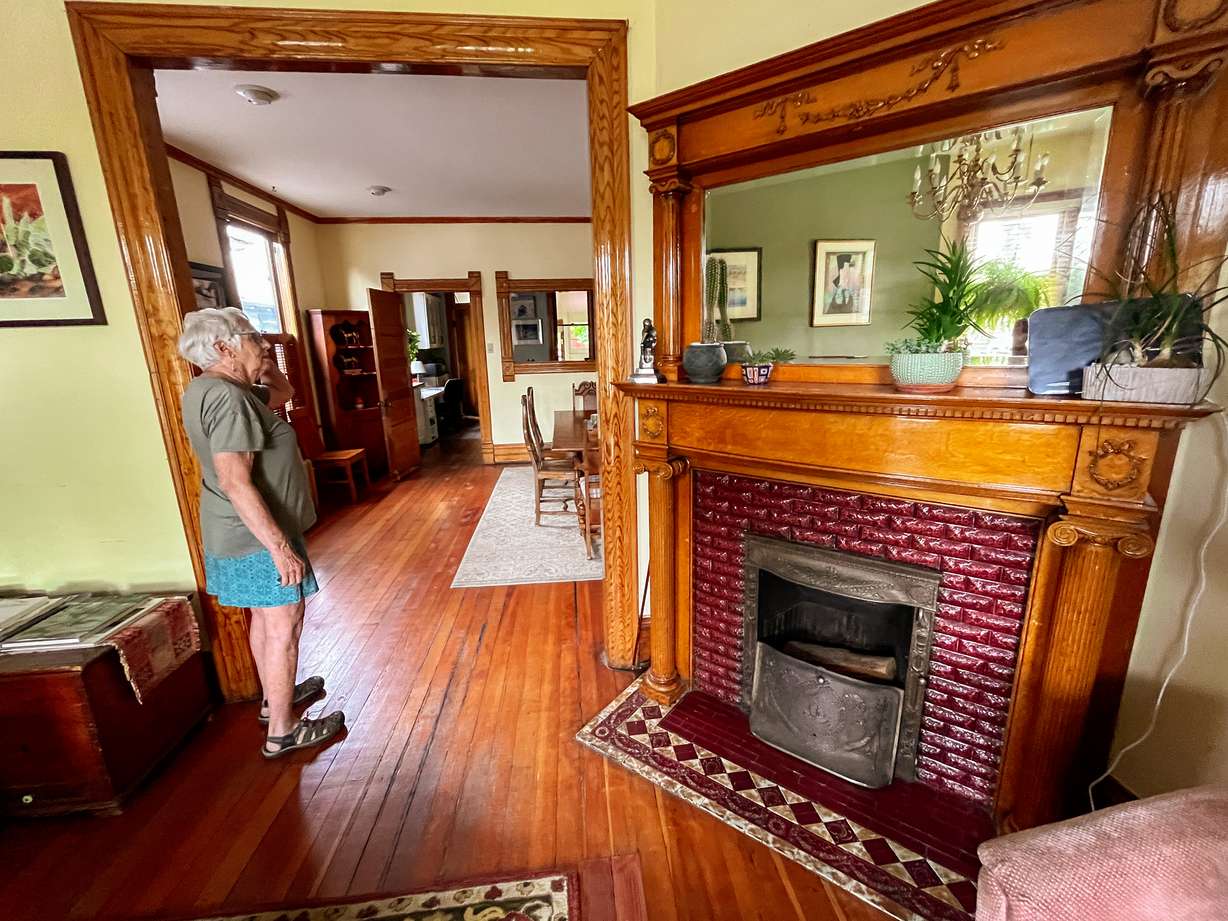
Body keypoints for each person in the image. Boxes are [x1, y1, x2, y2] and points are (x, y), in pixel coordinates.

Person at [178, 307, 344, 759]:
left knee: (266, 619)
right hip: (256, 536)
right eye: (253, 337)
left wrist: (263, 364)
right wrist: (280, 548)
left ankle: (275, 700)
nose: (264, 342)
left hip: (239, 532)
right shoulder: (228, 399)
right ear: (223, 347)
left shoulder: (217, 389)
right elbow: (235, 480)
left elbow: (283, 393)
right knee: (285, 621)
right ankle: (284, 732)